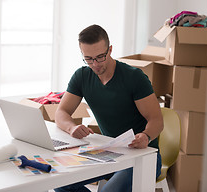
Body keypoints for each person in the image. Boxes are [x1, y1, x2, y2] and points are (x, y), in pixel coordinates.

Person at [54, 24, 163, 192]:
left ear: (110, 50)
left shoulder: (134, 78)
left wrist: (146, 136)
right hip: (107, 152)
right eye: (88, 59)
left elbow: (156, 120)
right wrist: (71, 127)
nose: (95, 64)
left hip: (143, 154)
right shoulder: (81, 76)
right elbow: (61, 112)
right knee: (60, 182)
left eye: (100, 57)